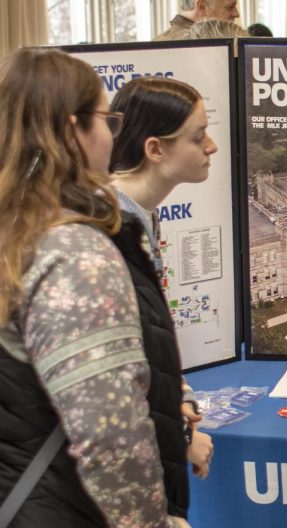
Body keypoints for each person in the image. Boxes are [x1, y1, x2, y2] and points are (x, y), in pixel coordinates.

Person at [0, 48, 186, 527]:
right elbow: (110, 435)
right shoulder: (71, 254)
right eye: (107, 120)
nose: (112, 134)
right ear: (71, 130)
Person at [108, 76, 218, 520]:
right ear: (155, 150)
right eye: (197, 136)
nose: (211, 145)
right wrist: (182, 440)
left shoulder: (137, 218)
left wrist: (180, 397)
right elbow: (116, 375)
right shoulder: (108, 232)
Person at [155, 0, 240, 41]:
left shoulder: (159, 43)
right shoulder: (202, 46)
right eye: (230, 7)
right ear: (202, 7)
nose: (236, 14)